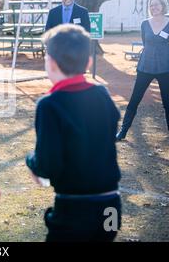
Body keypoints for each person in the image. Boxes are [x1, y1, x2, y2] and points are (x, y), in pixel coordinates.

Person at [26, 24, 121, 242]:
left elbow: (47, 165)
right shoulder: (101, 93)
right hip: (112, 207)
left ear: (49, 62)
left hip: (75, 208)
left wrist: (31, 162)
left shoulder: (49, 105)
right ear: (88, 62)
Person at [116, 0, 169, 145]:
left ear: (163, 6)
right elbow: (146, 42)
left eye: (157, 4)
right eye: (151, 5)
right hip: (146, 66)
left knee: (167, 102)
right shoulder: (145, 23)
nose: (154, 7)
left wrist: (162, 55)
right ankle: (123, 131)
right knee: (134, 100)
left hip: (165, 67)